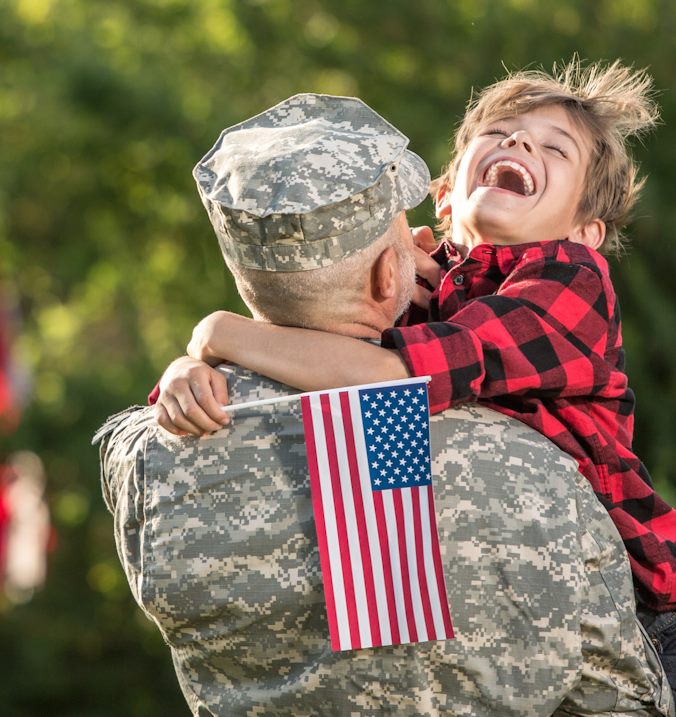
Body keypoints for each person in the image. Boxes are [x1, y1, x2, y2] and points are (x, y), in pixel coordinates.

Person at [98, 93, 674, 715]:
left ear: (587, 232)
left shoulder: (571, 279)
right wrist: (191, 372)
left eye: (554, 147)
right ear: (446, 197)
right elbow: (315, 338)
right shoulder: (426, 279)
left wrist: (221, 334)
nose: (519, 144)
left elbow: (393, 376)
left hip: (643, 606)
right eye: (501, 133)